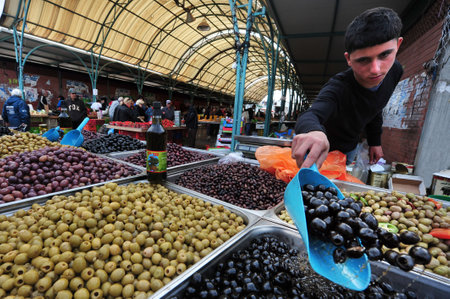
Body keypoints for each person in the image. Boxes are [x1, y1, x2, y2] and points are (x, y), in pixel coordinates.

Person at [292, 7, 403, 169]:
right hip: (321, 149)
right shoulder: (338, 87)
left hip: (350, 147)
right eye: (363, 60)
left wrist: (375, 142)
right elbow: (311, 114)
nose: (375, 69)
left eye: (384, 55)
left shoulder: (395, 71)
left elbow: (376, 107)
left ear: (398, 45)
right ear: (349, 59)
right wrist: (314, 131)